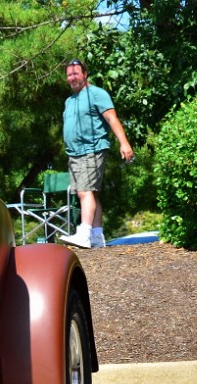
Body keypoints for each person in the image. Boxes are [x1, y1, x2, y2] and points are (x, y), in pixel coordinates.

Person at [59, 59, 134, 249]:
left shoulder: (97, 94)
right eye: (69, 75)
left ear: (85, 74)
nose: (72, 78)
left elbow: (112, 118)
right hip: (74, 153)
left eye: (76, 73)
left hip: (92, 148)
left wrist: (124, 143)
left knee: (86, 192)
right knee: (89, 194)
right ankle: (97, 235)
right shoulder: (70, 100)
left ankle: (83, 233)